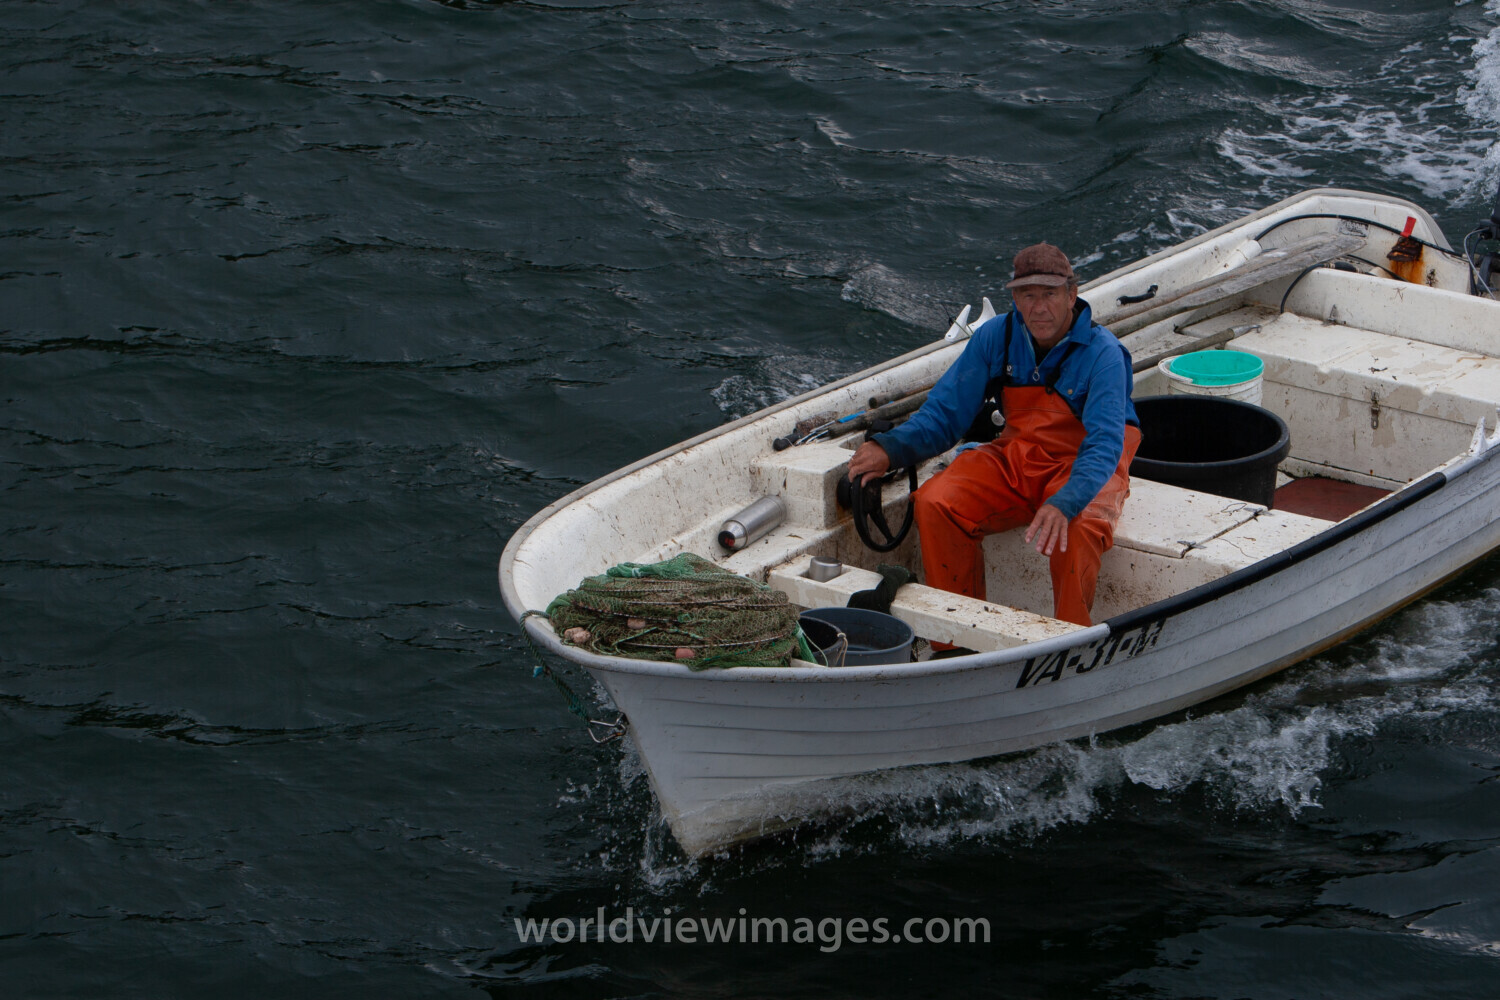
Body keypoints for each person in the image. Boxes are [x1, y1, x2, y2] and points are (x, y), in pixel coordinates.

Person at [846, 243, 1140, 629]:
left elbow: (1104, 444)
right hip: (1020, 454)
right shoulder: (995, 337)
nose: (1039, 307)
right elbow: (945, 413)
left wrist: (1065, 502)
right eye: (1027, 295)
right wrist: (890, 449)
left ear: (1072, 295)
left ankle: (1070, 638)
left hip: (1086, 466)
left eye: (1050, 294)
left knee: (1078, 527)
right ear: (1014, 299)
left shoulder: (1105, 354)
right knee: (935, 502)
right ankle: (956, 638)